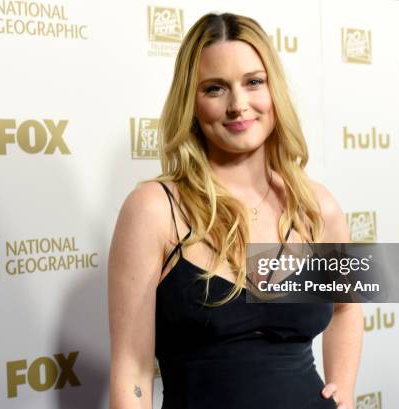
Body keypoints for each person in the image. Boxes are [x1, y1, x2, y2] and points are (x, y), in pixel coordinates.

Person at [108, 12, 363, 409]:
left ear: (273, 89)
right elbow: (131, 371)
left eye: (253, 82)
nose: (238, 105)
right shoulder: (156, 210)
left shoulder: (316, 207)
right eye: (215, 88)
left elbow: (347, 310)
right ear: (190, 103)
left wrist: (343, 388)